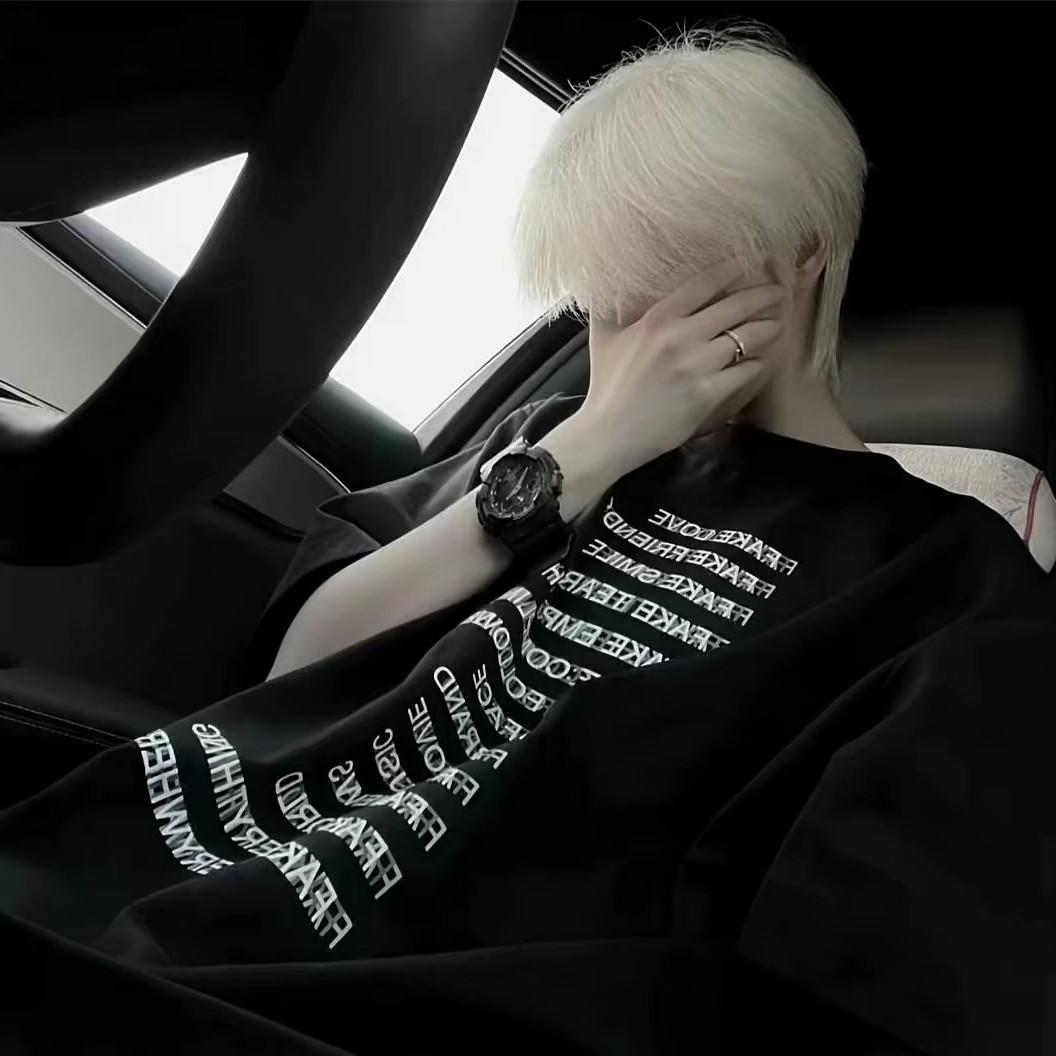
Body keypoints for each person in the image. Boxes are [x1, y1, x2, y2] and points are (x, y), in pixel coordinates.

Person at [2, 21, 1051, 1056]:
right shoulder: (543, 449)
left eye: (665, 275)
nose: (628, 320)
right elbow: (297, 670)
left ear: (804, 252)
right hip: (124, 888)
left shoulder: (946, 578)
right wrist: (586, 452)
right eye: (606, 288)